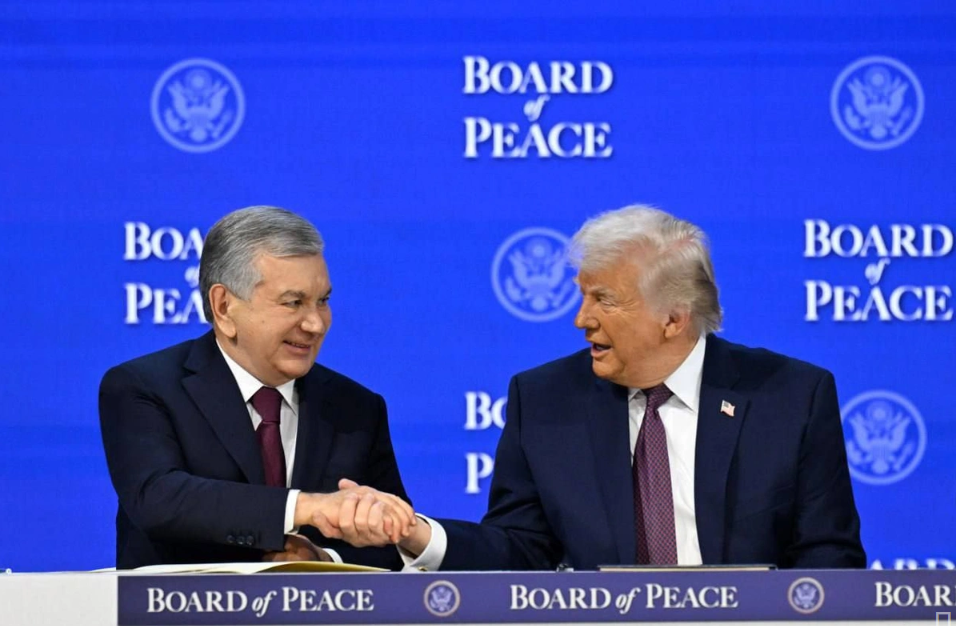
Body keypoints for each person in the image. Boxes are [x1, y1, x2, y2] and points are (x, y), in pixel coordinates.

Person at [391, 204, 865, 570]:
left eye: (604, 300)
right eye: (583, 295)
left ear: (673, 319)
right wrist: (419, 535)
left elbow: (828, 557)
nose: (582, 319)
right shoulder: (543, 401)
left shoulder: (790, 398)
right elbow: (520, 550)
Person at [99, 206, 415, 570]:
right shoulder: (145, 387)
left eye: (323, 301)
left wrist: (323, 558)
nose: (315, 324)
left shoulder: (355, 407)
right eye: (293, 302)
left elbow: (391, 543)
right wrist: (306, 507)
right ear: (224, 307)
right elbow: (159, 498)